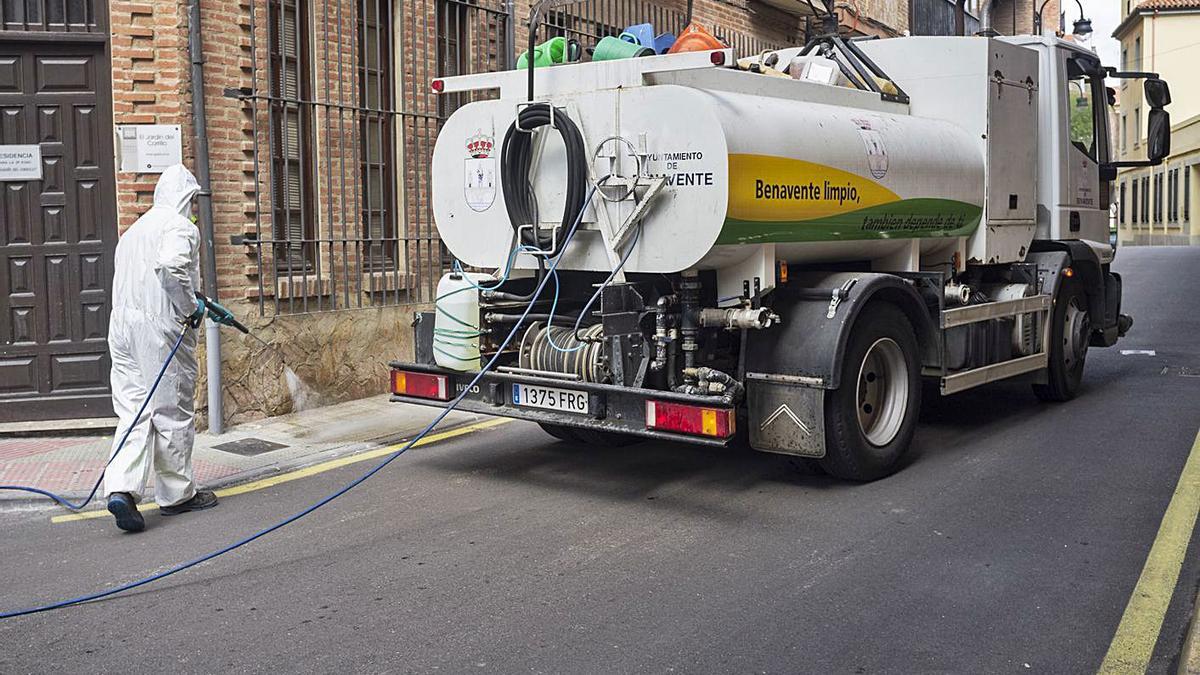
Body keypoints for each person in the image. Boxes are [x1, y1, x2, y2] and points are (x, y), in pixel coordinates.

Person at [105, 164, 219, 532]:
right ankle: (177, 495)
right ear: (184, 197)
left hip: (121, 328)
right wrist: (190, 307)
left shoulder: (132, 232)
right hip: (160, 328)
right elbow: (170, 267)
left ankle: (121, 489)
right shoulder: (180, 226)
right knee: (171, 410)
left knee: (133, 409)